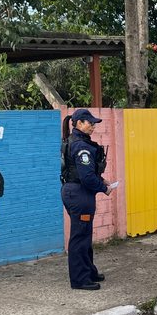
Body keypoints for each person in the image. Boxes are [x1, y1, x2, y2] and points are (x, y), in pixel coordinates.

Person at [61, 109, 113, 290]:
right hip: (80, 194)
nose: (93, 126)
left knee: (85, 234)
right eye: (90, 123)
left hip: (74, 191)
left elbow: (83, 172)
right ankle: (80, 279)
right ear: (79, 123)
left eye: (94, 123)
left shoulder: (73, 141)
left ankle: (89, 271)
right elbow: (87, 177)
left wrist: (101, 179)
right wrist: (103, 188)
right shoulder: (81, 146)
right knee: (80, 237)